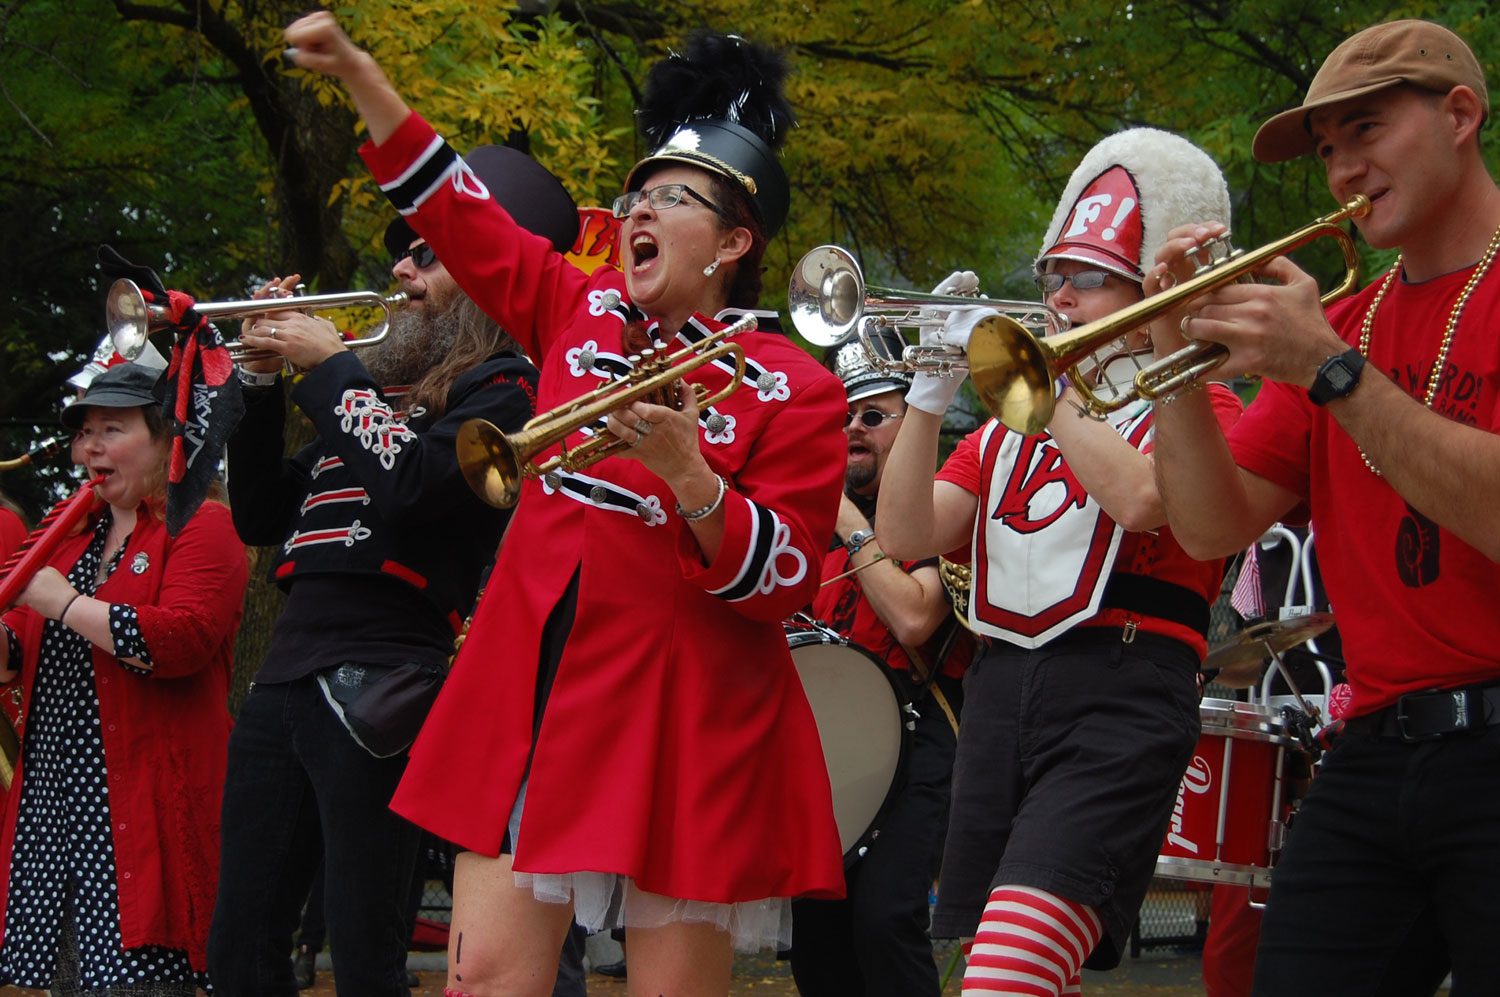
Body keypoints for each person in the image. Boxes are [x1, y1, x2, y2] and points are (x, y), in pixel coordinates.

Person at [284, 13, 848, 997]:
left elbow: (786, 580)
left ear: (735, 240)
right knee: (483, 981)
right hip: (527, 686)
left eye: (674, 197)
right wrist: (365, 80)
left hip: (684, 712)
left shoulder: (793, 385)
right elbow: (457, 209)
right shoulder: (573, 303)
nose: (640, 206)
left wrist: (695, 481)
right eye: (638, 191)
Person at [1146, 19, 1500, 994]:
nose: (1344, 168)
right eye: (1330, 149)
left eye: (1367, 131)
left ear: (1460, 114)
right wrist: (1171, 362)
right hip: (1376, 746)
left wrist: (1331, 372)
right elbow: (1213, 528)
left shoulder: (1333, 344)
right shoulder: (1345, 319)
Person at [876, 128, 1243, 995]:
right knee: (1014, 975)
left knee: (1006, 976)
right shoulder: (1012, 427)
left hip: (1121, 690)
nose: (1060, 297)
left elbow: (1148, 502)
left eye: (1086, 279)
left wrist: (1044, 391)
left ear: (1148, 289)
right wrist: (930, 392)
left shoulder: (1201, 399)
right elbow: (905, 535)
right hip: (1003, 697)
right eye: (1054, 277)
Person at [206, 146, 577, 997]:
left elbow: (412, 487)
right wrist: (262, 385)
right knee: (241, 945)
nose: (401, 269)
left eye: (426, 253)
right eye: (403, 252)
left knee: (364, 948)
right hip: (286, 674)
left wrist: (329, 367)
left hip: (385, 678)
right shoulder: (381, 392)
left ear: (489, 270)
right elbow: (264, 515)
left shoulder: (508, 393)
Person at [0, 360, 249, 994]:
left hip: (142, 816)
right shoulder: (63, 540)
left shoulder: (204, 528)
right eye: (86, 432)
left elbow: (181, 641)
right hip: (58, 816)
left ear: (169, 440)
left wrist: (62, 602)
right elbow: (22, 657)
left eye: (112, 428)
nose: (90, 447)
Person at [790, 329, 970, 997]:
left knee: (885, 921)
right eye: (841, 418)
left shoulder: (940, 508)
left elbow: (917, 617)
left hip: (920, 734)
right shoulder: (816, 525)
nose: (852, 430)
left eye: (872, 415)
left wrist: (848, 523)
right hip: (831, 755)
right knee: (819, 942)